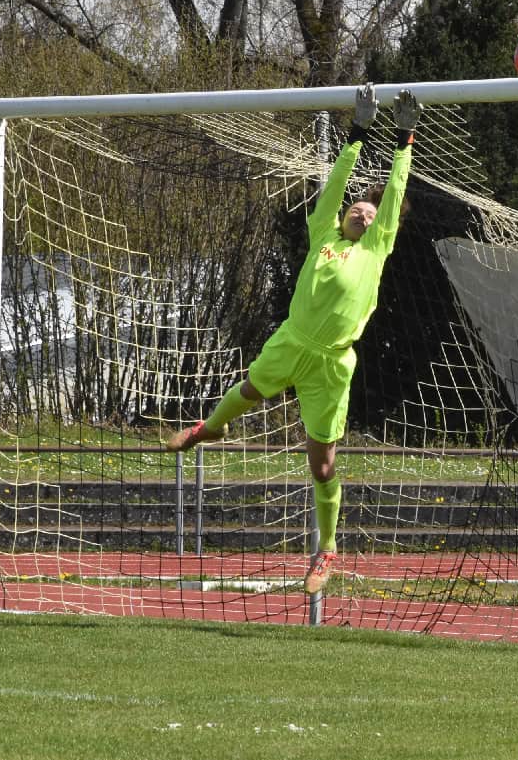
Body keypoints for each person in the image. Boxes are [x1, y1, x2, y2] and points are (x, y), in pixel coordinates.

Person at [166, 82, 420, 594]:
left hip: (331, 364)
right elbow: (336, 184)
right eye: (357, 209)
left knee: (321, 464)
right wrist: (357, 131)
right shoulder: (324, 235)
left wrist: (404, 138)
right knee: (249, 391)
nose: (362, 213)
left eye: (370, 215)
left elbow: (392, 197)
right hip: (292, 338)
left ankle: (327, 550)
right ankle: (209, 428)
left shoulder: (375, 251)